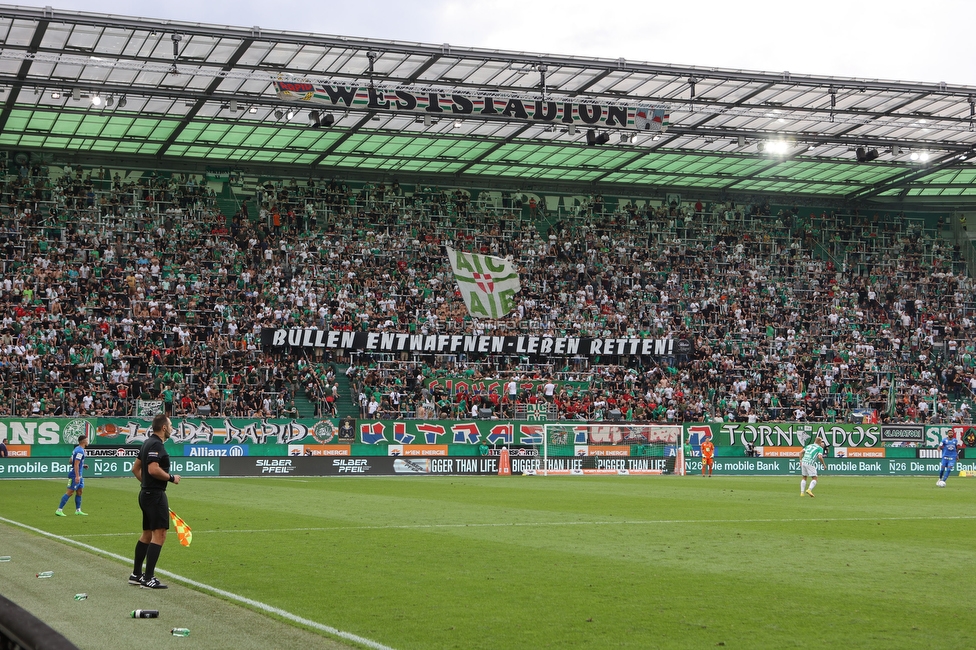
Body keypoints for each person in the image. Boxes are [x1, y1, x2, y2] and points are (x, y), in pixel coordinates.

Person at [129, 413, 181, 589]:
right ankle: (148, 578)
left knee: (147, 534)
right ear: (164, 427)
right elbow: (153, 469)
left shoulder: (146, 442)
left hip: (146, 493)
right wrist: (171, 477)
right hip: (155, 495)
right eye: (171, 425)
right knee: (160, 534)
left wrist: (145, 483)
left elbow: (135, 468)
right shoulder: (156, 444)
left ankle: (136, 574)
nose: (172, 428)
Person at [56, 434, 88, 516]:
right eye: (87, 440)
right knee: (70, 492)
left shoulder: (77, 449)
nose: (88, 442)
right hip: (75, 475)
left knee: (80, 491)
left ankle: (78, 510)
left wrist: (82, 465)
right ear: (84, 441)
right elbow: (76, 464)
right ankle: (59, 510)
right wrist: (77, 476)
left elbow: (71, 461)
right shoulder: (80, 451)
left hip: (79, 474)